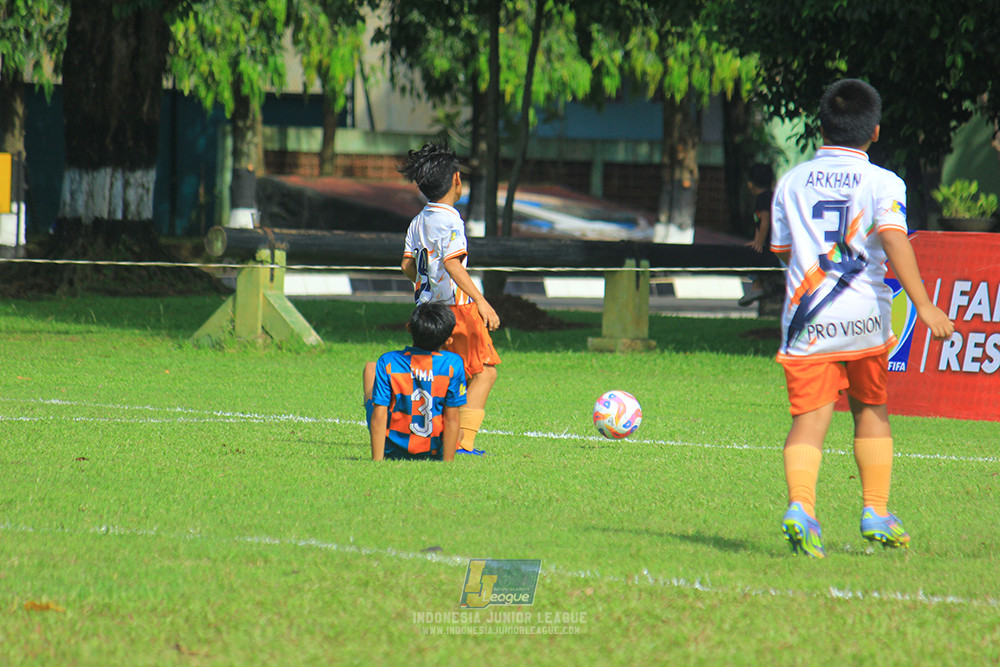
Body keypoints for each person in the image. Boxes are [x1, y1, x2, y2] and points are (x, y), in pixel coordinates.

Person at [769, 79, 955, 557]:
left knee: (809, 420)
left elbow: (783, 250)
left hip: (807, 321)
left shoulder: (791, 181)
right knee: (871, 409)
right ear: (874, 131)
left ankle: (801, 507)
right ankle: (875, 510)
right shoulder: (883, 181)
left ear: (821, 128)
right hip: (864, 320)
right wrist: (925, 304)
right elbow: (893, 238)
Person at [397, 143, 501, 456]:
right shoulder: (451, 220)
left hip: (426, 311)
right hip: (458, 310)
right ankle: (462, 442)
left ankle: (431, 434)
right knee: (484, 372)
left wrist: (426, 286)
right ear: (456, 180)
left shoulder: (418, 220)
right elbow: (453, 264)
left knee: (444, 372)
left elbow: (407, 266)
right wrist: (481, 301)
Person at [363, 302, 467, 462]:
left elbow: (379, 415)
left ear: (408, 328)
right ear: (448, 340)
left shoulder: (388, 361)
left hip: (392, 449)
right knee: (459, 432)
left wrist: (377, 461)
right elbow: (451, 419)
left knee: (370, 369)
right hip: (433, 451)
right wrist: (447, 463)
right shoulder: (453, 364)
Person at [739, 163, 779, 307]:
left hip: (771, 242)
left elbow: (765, 221)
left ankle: (756, 286)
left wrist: (760, 242)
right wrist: (756, 240)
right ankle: (759, 284)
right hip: (771, 241)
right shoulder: (768, 196)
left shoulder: (763, 198)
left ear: (750, 184)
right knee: (755, 250)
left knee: (755, 255)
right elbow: (759, 223)